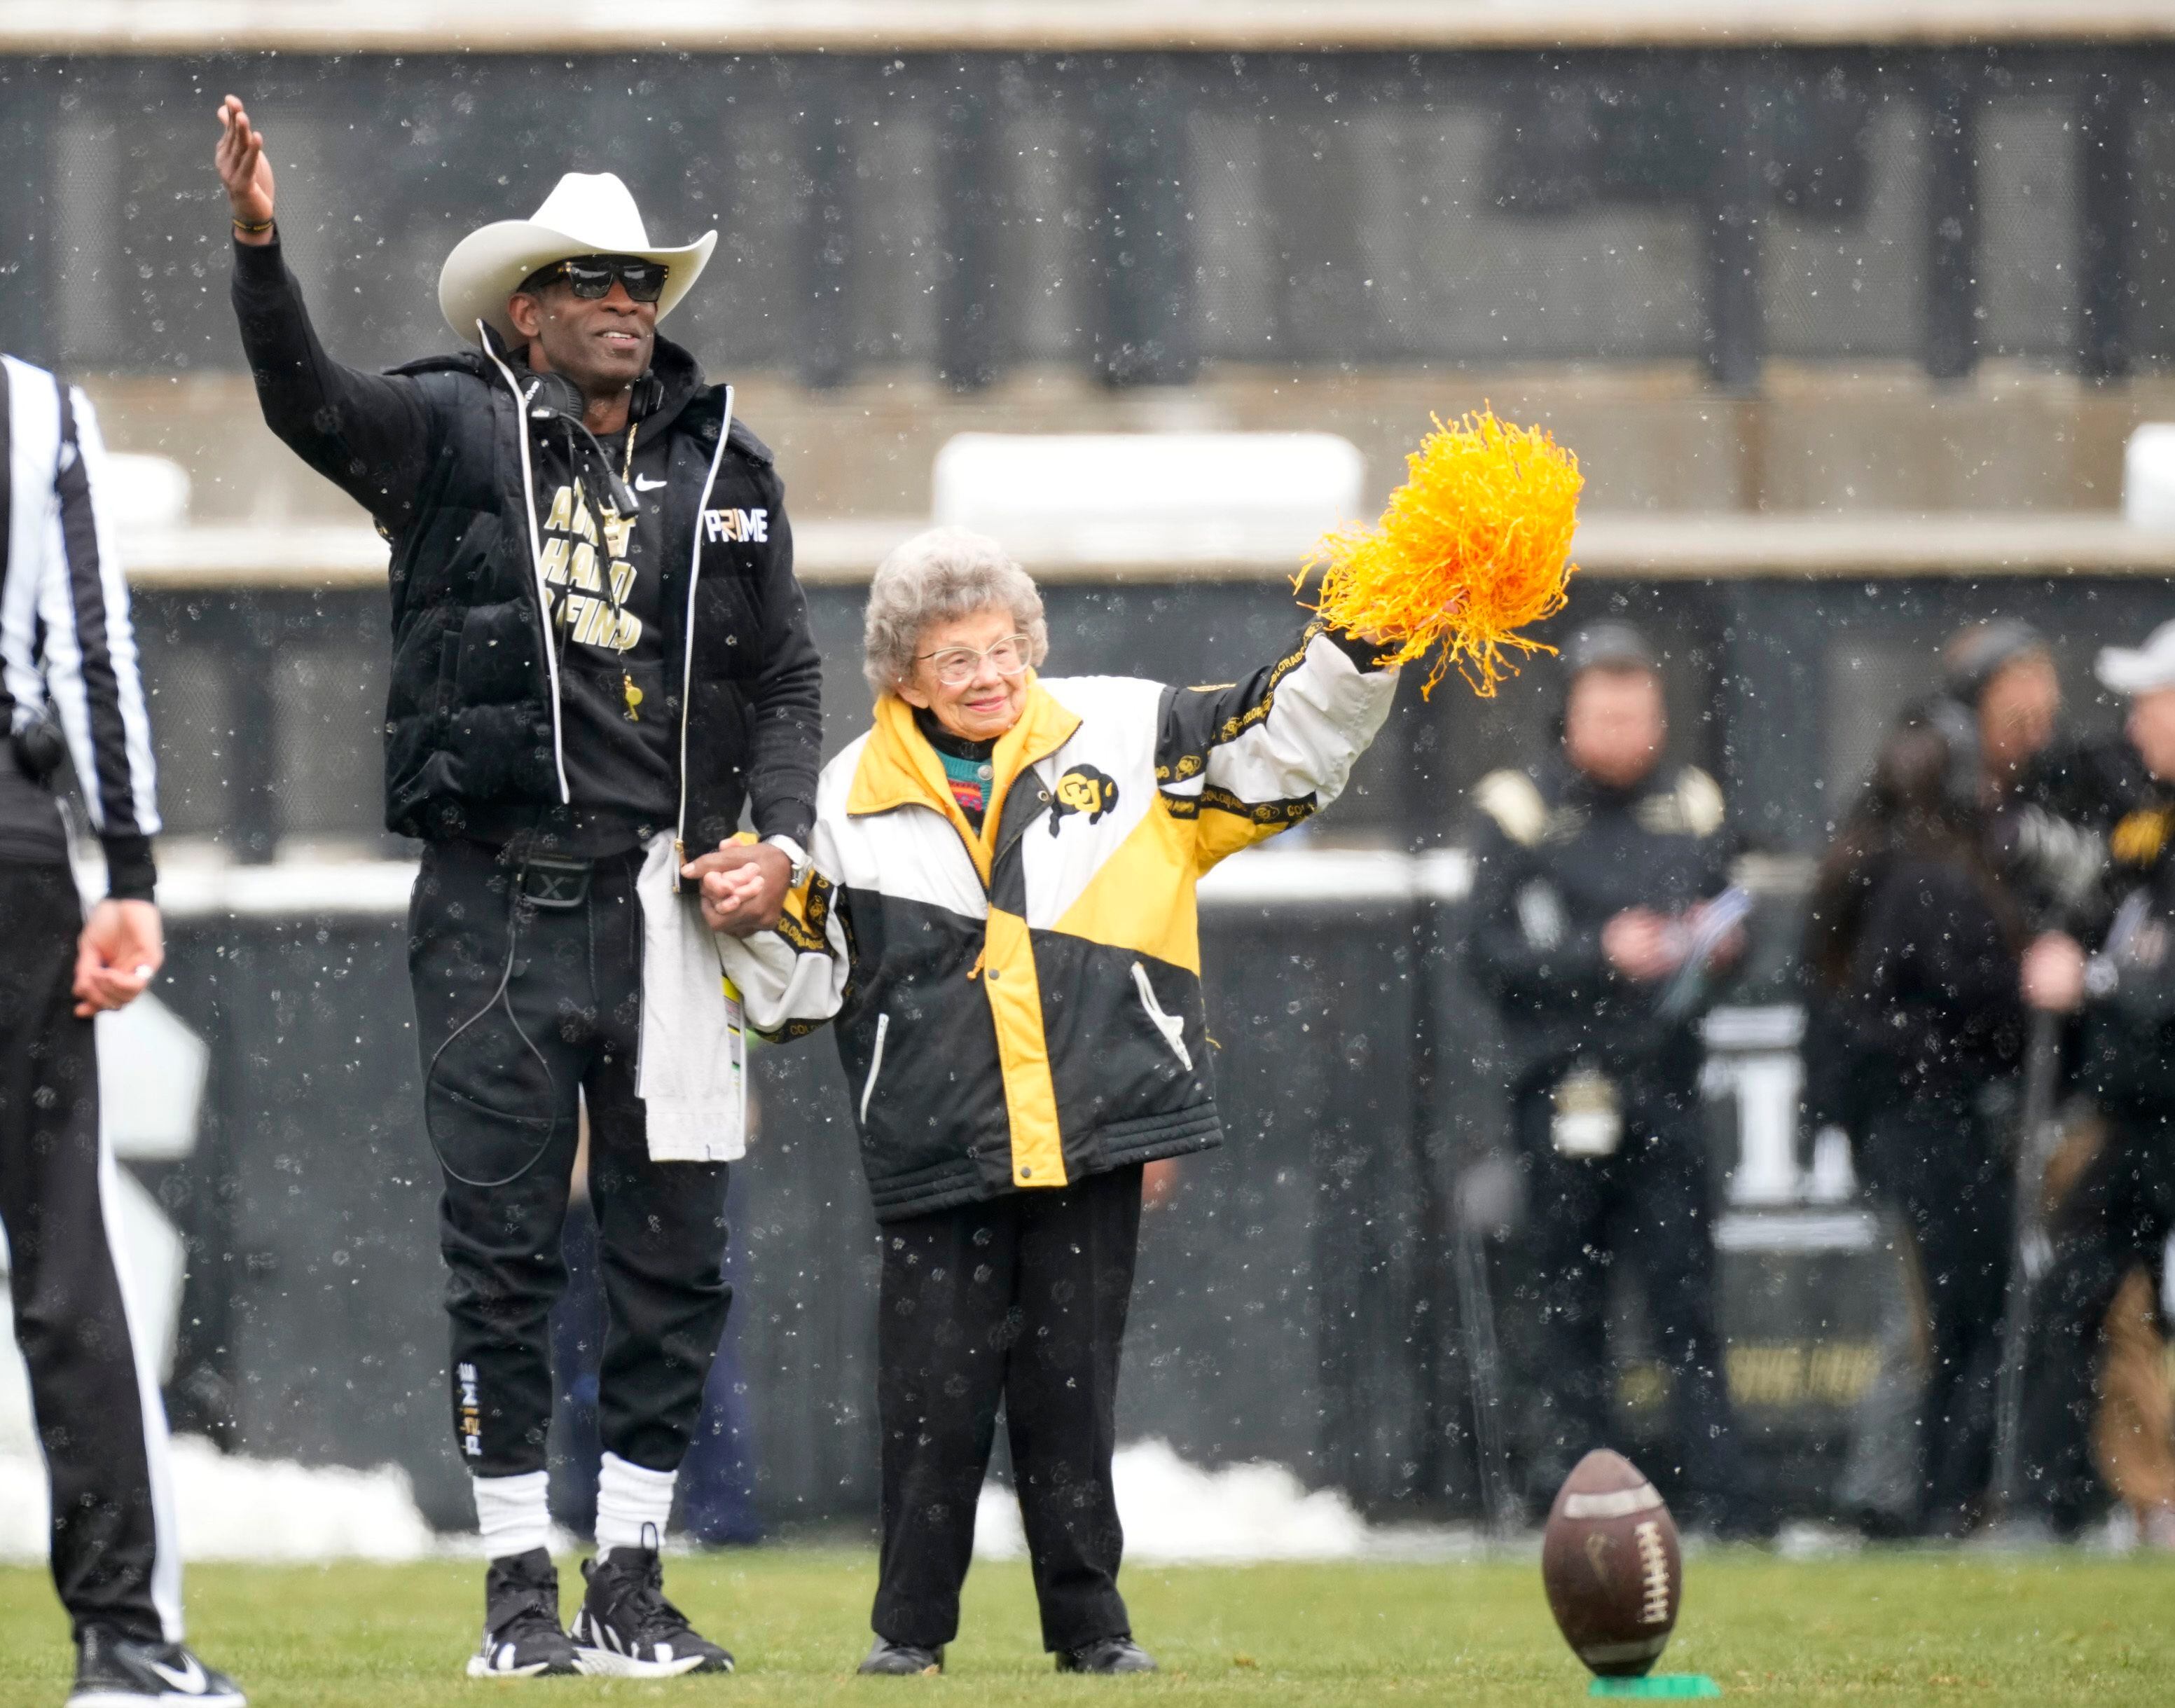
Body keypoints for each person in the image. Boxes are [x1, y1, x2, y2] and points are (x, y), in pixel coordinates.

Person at [214, 97, 822, 1677]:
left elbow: (787, 675)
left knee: (676, 1250)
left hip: (677, 912)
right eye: (590, 281)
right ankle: (512, 1596)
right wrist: (261, 251)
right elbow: (300, 398)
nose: (625, 303)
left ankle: (628, 1580)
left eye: (641, 282)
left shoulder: (730, 462)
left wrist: (784, 836)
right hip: (498, 898)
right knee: (499, 1247)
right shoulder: (448, 431)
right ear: (524, 311)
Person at [695, 526, 1400, 1674]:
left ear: (1032, 642)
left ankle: (1094, 1632)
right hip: (932, 1142)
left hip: (1090, 1131)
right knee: (932, 1405)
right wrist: (747, 916)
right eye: (955, 659)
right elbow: (800, 993)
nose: (989, 675)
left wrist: (1359, 648)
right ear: (901, 677)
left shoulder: (1124, 728)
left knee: (1071, 1396)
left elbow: (1280, 752)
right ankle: (906, 1636)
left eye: (1004, 647)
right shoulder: (840, 795)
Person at [1, 354, 243, 1704]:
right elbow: (89, 650)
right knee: (59, 1255)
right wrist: (131, 874)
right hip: (10, 843)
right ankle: (122, 1637)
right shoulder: (32, 408)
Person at [1464, 620, 1755, 1534]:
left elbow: (1728, 915)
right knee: (1567, 1301)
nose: (1625, 732)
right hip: (1564, 1088)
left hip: (1663, 1083)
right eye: (1605, 713)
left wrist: (1716, 947)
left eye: (1639, 713)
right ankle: (1578, 1492)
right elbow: (1485, 949)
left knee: (1685, 1298)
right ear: (1570, 720)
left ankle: (1719, 1496)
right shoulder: (1519, 806)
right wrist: (1599, 953)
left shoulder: (1693, 801)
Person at [1802, 703, 2026, 1538]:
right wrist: (2009, 1005)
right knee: (1933, 1321)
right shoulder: (1925, 878)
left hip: (1906, 1123)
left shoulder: (1874, 862)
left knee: (1936, 1317)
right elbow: (1929, 1006)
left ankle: (1926, 1492)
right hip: (1927, 1126)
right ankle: (1911, 1496)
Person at [2015, 619, 2175, 1537]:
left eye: (2150, 701)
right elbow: (2109, 918)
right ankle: (2044, 1500)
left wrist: (2100, 979)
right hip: (2140, 1113)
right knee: (2075, 1284)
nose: (2135, 721)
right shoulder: (2144, 824)